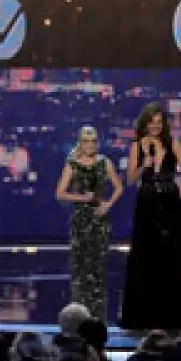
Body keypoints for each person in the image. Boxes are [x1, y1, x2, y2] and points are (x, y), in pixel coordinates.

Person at [120, 103, 181, 332]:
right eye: (151, 121)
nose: (155, 125)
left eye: (159, 121)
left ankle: (172, 314)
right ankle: (143, 315)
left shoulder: (172, 143)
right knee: (146, 256)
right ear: (144, 123)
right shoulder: (137, 146)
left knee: (170, 256)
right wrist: (145, 164)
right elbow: (130, 180)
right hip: (147, 202)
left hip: (169, 202)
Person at [56, 125, 124, 322]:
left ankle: (98, 317)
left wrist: (107, 205)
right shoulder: (72, 164)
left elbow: (119, 187)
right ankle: (79, 315)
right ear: (80, 142)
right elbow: (59, 193)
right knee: (80, 267)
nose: (90, 144)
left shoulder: (105, 163)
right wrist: (81, 198)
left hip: (99, 221)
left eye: (93, 140)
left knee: (98, 267)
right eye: (86, 141)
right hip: (80, 220)